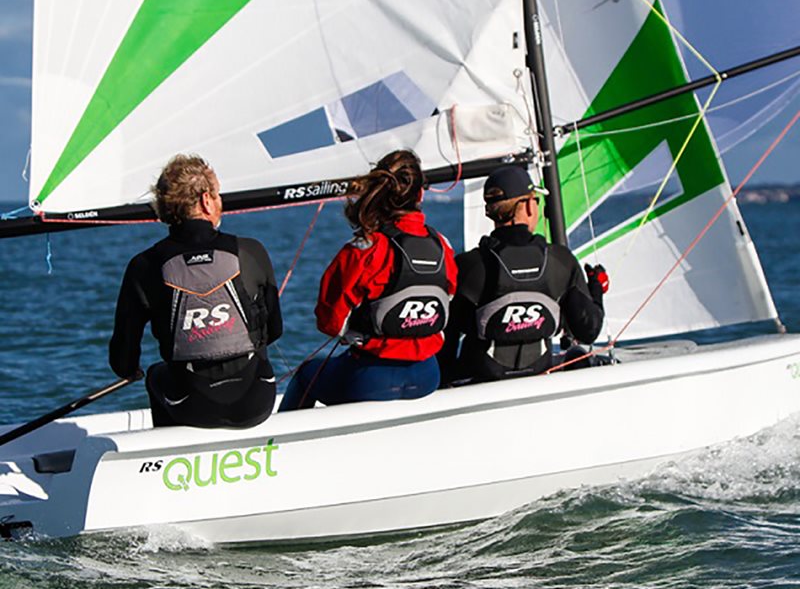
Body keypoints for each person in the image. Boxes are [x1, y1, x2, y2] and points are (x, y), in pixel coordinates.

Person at [109, 154, 283, 428]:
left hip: (191, 408)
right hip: (255, 403)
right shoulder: (251, 250)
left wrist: (131, 370)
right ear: (205, 200)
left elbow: (123, 362)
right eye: (217, 194)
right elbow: (275, 331)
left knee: (156, 374)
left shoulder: (143, 265)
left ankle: (172, 450)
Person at [278, 149, 457, 412]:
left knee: (306, 374)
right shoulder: (443, 245)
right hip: (427, 375)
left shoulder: (365, 249)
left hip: (371, 379)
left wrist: (357, 333)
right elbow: (447, 298)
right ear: (420, 194)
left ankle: (289, 439)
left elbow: (330, 322)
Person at [438, 164, 608, 385]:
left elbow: (446, 342)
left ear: (490, 212)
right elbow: (588, 331)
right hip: (538, 377)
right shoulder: (561, 261)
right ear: (528, 206)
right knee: (578, 355)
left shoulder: (468, 265)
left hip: (479, 384)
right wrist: (596, 289)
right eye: (535, 200)